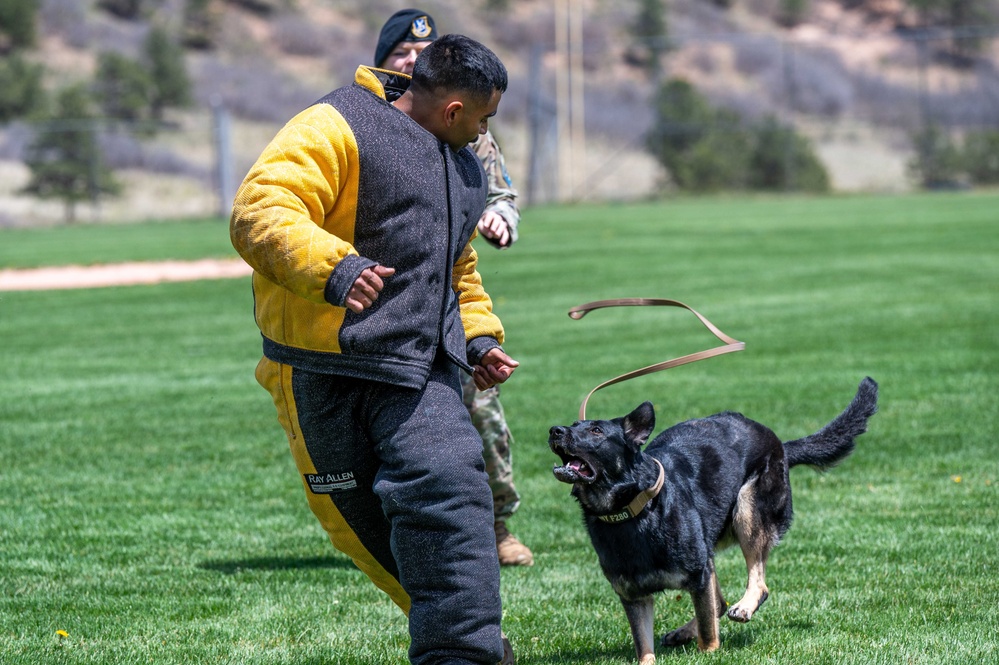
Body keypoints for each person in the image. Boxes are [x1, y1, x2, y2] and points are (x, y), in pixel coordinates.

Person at [230, 34, 517, 665]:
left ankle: (461, 651)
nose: (484, 133)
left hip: (417, 371)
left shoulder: (463, 166)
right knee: (361, 521)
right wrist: (335, 268)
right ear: (453, 110)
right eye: (483, 118)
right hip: (320, 372)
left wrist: (478, 339)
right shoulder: (334, 125)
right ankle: (460, 631)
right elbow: (260, 208)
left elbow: (458, 269)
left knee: (451, 495)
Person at [375, 8, 532, 567]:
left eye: (424, 53)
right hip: (382, 307)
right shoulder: (370, 123)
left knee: (481, 415)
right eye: (403, 56)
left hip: (452, 300)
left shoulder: (471, 130)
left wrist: (500, 221)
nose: (415, 61)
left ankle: (496, 525)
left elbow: (500, 195)